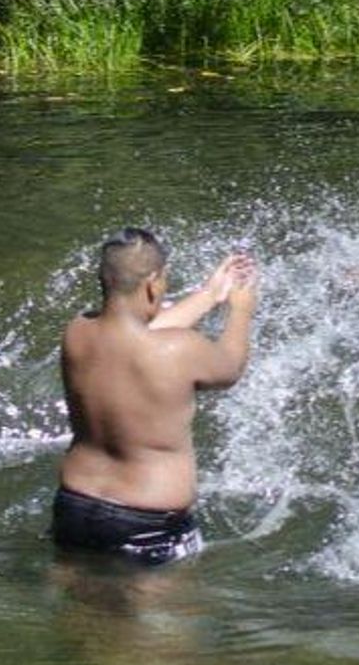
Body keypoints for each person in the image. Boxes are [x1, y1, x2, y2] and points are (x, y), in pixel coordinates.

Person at [53, 228, 258, 565]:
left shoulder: (77, 331)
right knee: (170, 615)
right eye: (163, 281)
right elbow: (230, 368)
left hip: (74, 506)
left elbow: (139, 335)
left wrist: (209, 295)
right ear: (152, 284)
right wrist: (241, 311)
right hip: (148, 522)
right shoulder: (180, 349)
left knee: (79, 610)